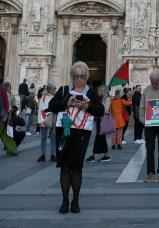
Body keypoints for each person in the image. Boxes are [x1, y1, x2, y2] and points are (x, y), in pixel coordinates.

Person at [48, 61, 104, 214]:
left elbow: (100, 110)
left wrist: (87, 106)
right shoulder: (64, 90)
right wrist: (66, 103)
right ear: (72, 76)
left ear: (87, 77)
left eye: (82, 76)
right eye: (76, 76)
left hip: (81, 134)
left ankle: (75, 200)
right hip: (63, 132)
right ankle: (65, 200)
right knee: (65, 166)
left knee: (77, 166)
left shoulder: (91, 93)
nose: (79, 79)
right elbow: (52, 106)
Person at [36, 85, 55, 162]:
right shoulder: (43, 98)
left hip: (52, 119)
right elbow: (40, 109)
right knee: (43, 137)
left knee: (53, 138)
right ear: (49, 89)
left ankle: (53, 155)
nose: (55, 90)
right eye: (54, 89)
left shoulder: (54, 97)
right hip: (44, 119)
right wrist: (40, 121)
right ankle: (43, 155)